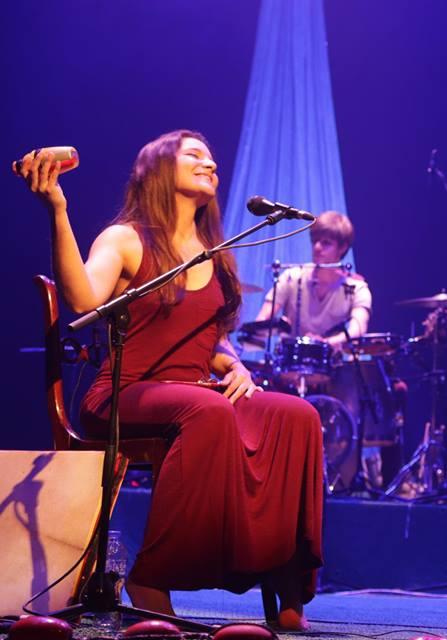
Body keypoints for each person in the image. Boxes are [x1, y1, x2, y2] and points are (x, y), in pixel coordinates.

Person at [14, 131, 324, 630]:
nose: (210, 164)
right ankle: (152, 577)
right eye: (194, 155)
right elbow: (82, 299)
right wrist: (57, 209)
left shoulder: (216, 253)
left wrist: (235, 365)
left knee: (296, 415)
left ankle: (287, 583)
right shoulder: (126, 238)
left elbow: (211, 341)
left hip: (195, 395)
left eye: (212, 159)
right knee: (208, 410)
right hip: (122, 394)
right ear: (157, 169)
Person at [254, 210, 370, 347]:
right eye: (315, 241)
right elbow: (261, 320)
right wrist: (274, 327)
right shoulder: (291, 277)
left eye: (326, 243)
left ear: (342, 247)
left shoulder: (356, 289)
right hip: (289, 358)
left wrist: (324, 344)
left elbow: (358, 329)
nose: (317, 247)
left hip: (332, 358)